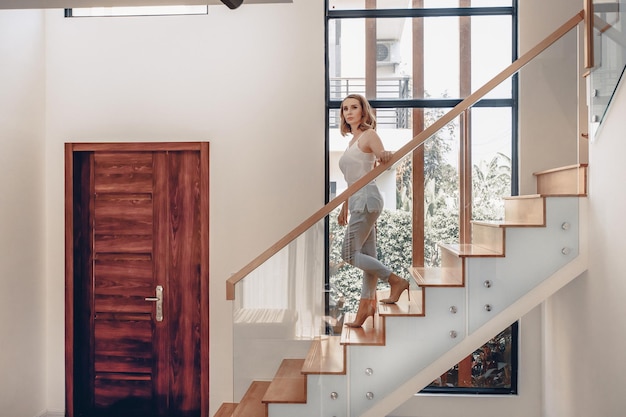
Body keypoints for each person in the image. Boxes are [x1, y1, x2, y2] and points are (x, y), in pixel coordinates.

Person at [337, 94, 410, 328]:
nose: (349, 112)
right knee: (369, 257)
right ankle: (366, 308)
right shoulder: (352, 141)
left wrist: (385, 155)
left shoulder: (369, 135)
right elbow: (352, 181)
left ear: (363, 111)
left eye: (354, 107)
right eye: (345, 108)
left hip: (367, 200)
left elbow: (382, 156)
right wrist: (343, 207)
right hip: (358, 201)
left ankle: (395, 280)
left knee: (348, 253)